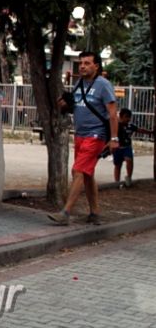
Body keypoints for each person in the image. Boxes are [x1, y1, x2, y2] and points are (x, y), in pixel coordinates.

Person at [48, 51, 118, 226]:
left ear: (96, 66)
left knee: (78, 171)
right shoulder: (79, 83)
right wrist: (64, 105)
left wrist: (114, 138)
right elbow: (76, 107)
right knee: (87, 175)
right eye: (81, 63)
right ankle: (95, 213)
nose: (83, 66)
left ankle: (65, 212)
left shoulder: (103, 85)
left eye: (87, 63)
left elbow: (112, 114)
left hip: (96, 136)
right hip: (80, 135)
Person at [113, 108, 152, 187]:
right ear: (120, 117)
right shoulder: (116, 126)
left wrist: (150, 132)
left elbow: (140, 130)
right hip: (117, 148)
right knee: (118, 165)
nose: (128, 119)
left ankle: (128, 178)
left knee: (129, 160)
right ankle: (116, 182)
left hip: (127, 147)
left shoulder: (131, 126)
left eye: (129, 117)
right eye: (126, 117)